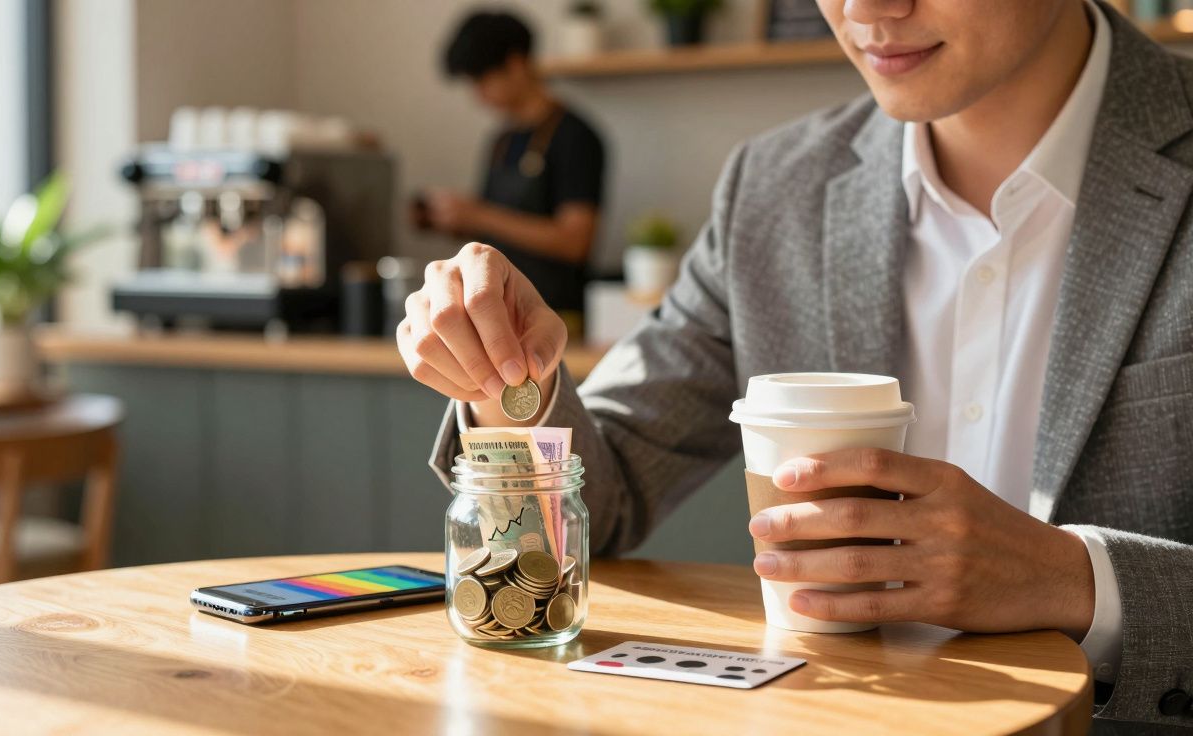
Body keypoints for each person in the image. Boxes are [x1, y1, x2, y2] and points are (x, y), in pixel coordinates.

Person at [400, 0, 1193, 728]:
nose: (866, 9)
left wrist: (1076, 581)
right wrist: (503, 367)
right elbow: (601, 493)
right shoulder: (773, 193)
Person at [418, 10, 605, 331]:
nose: (477, 94)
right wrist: (456, 219)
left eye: (482, 80)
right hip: (497, 312)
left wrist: (479, 215)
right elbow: (495, 227)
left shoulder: (576, 136)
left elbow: (575, 241)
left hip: (555, 316)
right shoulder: (502, 141)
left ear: (516, 64)